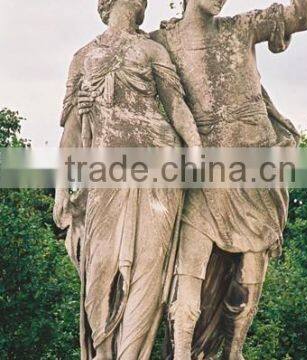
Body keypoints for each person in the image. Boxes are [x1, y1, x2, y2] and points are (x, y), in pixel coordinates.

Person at [149, 0, 307, 359]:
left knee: (252, 269)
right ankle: (180, 353)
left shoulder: (240, 28)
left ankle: (234, 351)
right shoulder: (160, 41)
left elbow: (300, 17)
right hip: (203, 171)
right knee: (188, 267)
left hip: (255, 169)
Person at [53, 0, 201, 359]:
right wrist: (61, 188)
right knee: (98, 272)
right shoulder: (83, 56)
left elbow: (176, 105)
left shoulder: (152, 49)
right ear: (106, 5)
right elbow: (71, 131)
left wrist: (195, 148)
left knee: (148, 272)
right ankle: (104, 353)